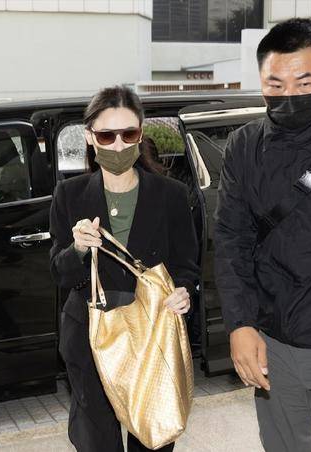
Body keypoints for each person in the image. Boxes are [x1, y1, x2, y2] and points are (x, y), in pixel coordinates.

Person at [214, 18, 311, 452]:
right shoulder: (243, 145)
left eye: (304, 83)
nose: (289, 96)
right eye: (275, 84)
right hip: (271, 345)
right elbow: (231, 239)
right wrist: (240, 325)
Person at [49, 85, 199, 452]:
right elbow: (59, 273)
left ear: (140, 134)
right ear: (90, 136)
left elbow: (186, 266)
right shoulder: (69, 194)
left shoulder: (171, 195)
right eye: (106, 135)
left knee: (152, 437)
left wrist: (183, 292)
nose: (118, 145)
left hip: (151, 333)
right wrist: (78, 248)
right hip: (91, 337)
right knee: (97, 441)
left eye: (128, 134)